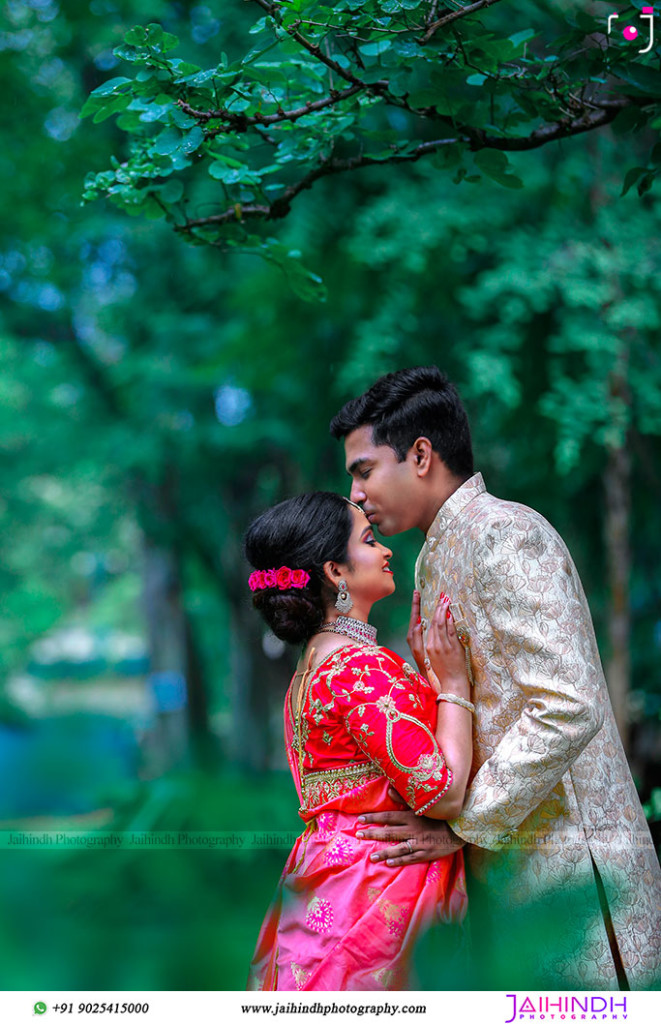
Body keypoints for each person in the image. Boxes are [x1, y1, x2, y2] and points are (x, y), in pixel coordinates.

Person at [329, 366, 661, 990]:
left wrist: (460, 822)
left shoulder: (506, 534)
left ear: (420, 455)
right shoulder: (433, 558)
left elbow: (566, 704)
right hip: (503, 871)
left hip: (573, 874)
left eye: (364, 469)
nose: (357, 495)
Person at [244, 492, 472, 991]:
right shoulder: (359, 668)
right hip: (377, 886)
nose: (386, 550)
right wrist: (453, 687)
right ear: (335, 572)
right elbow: (443, 792)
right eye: (369, 541)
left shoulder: (310, 671)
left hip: (323, 879)